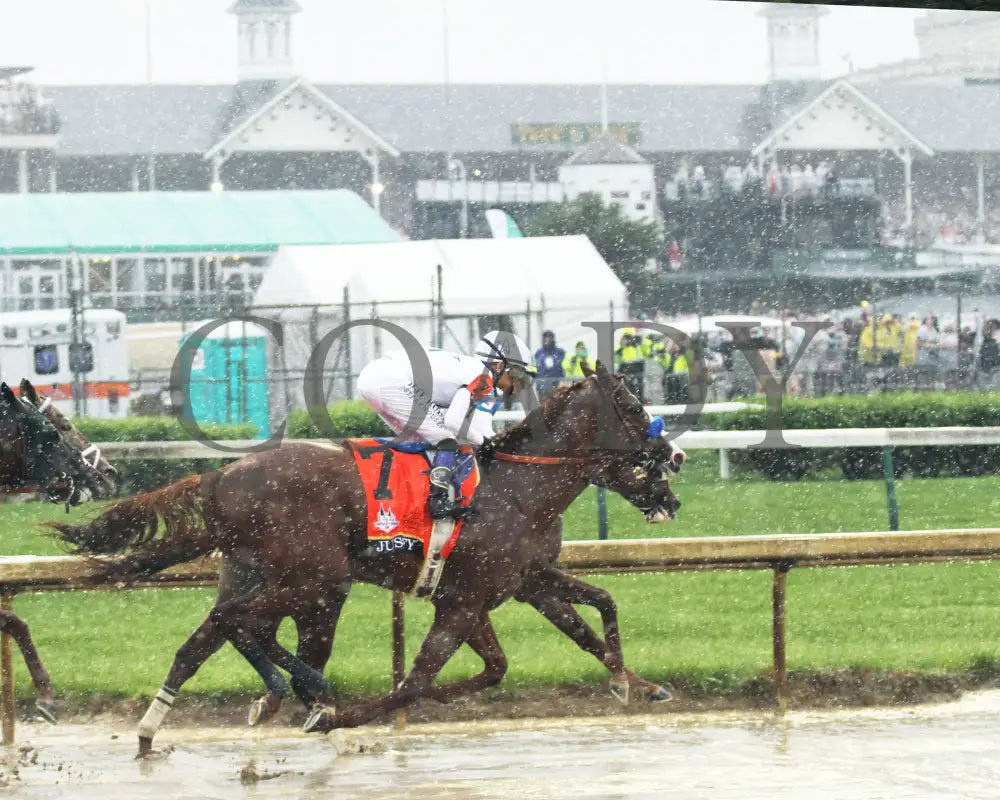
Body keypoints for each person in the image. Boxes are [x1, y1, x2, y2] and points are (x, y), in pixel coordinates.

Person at [356, 330, 536, 520]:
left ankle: (409, 497)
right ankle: (438, 501)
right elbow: (453, 422)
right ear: (499, 366)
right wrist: (484, 442)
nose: (517, 383)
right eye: (516, 374)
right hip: (390, 380)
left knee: (419, 443)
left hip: (373, 379)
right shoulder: (484, 378)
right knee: (446, 439)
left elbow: (454, 418)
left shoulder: (470, 368)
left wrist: (480, 439)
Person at [533, 330, 566, 397]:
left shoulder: (560, 352)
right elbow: (536, 367)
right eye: (546, 337)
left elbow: (562, 366)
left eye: (549, 337)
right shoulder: (539, 353)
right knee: (544, 405)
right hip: (542, 386)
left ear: (553, 339)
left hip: (557, 385)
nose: (547, 340)